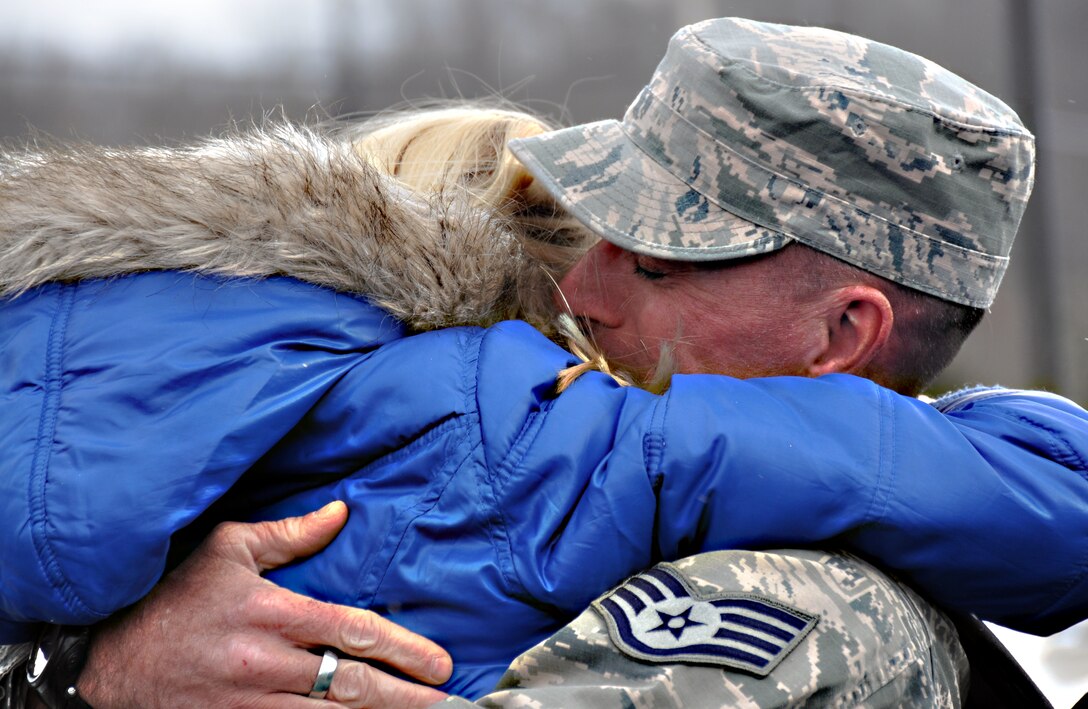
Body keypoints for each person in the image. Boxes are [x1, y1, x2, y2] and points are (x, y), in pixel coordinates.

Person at [2, 16, 1086, 708]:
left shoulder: (802, 608)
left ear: (839, 336)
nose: (581, 290)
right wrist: (84, 668)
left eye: (654, 264)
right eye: (586, 231)